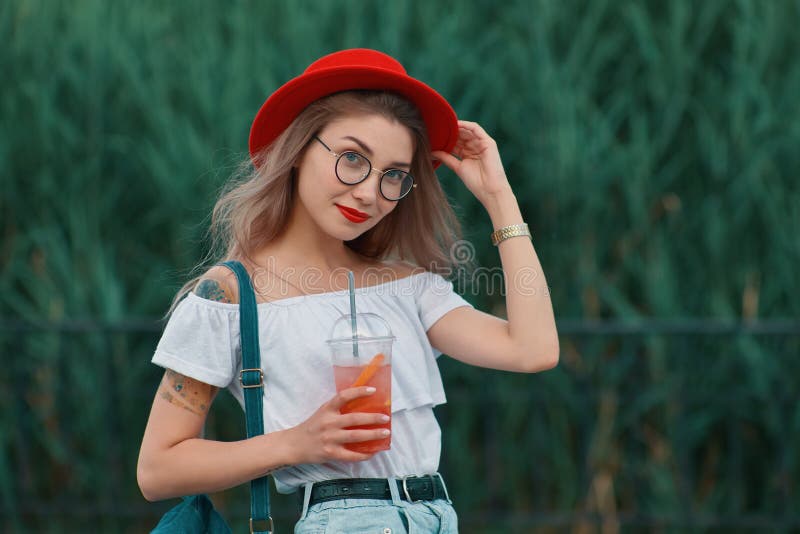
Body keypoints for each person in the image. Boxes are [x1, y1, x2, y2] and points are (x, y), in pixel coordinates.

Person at [137, 48, 559, 533]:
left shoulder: (408, 286)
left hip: (436, 519)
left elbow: (534, 350)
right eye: (353, 159)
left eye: (393, 175)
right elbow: (157, 470)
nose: (368, 192)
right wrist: (299, 442)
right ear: (297, 148)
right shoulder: (229, 296)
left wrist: (500, 198)